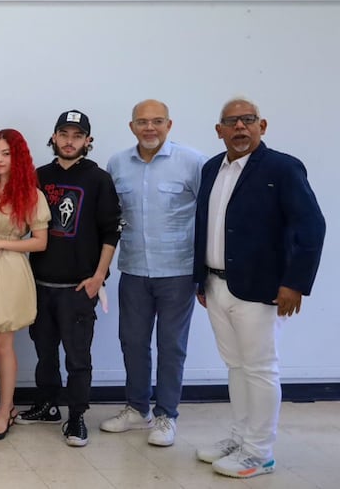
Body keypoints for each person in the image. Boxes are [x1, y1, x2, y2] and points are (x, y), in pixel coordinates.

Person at [193, 97, 325, 479]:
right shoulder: (211, 168)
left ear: (261, 126)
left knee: (261, 369)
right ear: (219, 130)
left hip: (262, 289)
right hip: (216, 285)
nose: (240, 127)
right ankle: (240, 439)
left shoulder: (282, 168)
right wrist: (200, 278)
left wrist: (295, 283)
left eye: (248, 120)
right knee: (236, 367)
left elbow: (311, 227)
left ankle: (259, 452)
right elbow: (204, 225)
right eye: (232, 121)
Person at [101, 100, 205, 447]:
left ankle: (166, 415)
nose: (150, 128)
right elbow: (110, 217)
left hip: (178, 270)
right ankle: (137, 408)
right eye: (142, 122)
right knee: (132, 341)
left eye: (157, 121)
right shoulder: (117, 164)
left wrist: (206, 270)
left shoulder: (193, 162)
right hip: (133, 269)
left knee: (171, 345)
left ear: (169, 125)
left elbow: (209, 215)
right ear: (131, 126)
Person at [20, 110, 121, 449]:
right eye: (64, 134)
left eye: (77, 135)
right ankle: (47, 404)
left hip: (78, 287)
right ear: (54, 137)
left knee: (78, 357)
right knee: (44, 352)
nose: (69, 141)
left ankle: (76, 415)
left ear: (88, 141)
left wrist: (98, 277)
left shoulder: (98, 179)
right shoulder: (39, 176)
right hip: (41, 284)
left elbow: (111, 232)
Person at [0, 129, 49, 442]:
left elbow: (40, 242)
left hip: (10, 270)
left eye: (6, 153)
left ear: (18, 157)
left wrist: (0, 244)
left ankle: (4, 412)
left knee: (2, 342)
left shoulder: (31, 194)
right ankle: (8, 407)